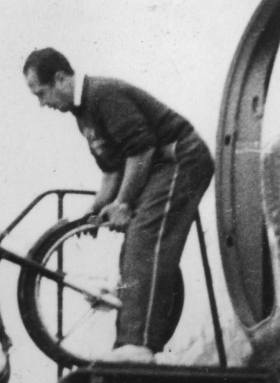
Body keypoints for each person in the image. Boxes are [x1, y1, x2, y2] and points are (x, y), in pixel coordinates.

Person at [23, 47, 214, 363]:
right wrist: (96, 209)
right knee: (133, 246)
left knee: (144, 239)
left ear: (60, 78)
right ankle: (132, 343)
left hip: (181, 159)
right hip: (157, 165)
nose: (43, 104)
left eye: (42, 93)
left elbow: (141, 151)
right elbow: (112, 170)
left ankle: (137, 346)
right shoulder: (82, 115)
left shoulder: (104, 94)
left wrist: (123, 203)